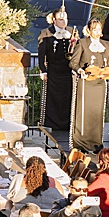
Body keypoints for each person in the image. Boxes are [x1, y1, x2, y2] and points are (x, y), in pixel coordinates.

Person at [70, 19, 109, 152]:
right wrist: (80, 70)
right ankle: (80, 142)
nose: (98, 32)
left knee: (97, 113)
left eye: (99, 29)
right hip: (86, 83)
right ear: (89, 30)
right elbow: (73, 63)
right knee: (84, 112)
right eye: (95, 29)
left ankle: (96, 142)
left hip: (100, 83)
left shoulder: (107, 45)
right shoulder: (82, 43)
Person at [37, 8, 75, 139]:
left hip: (67, 71)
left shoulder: (71, 32)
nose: (64, 21)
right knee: (54, 99)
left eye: (65, 18)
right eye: (60, 18)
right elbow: (42, 55)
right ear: (54, 20)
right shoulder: (46, 33)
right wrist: (43, 70)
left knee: (67, 98)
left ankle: (67, 123)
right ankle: (54, 124)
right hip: (53, 71)